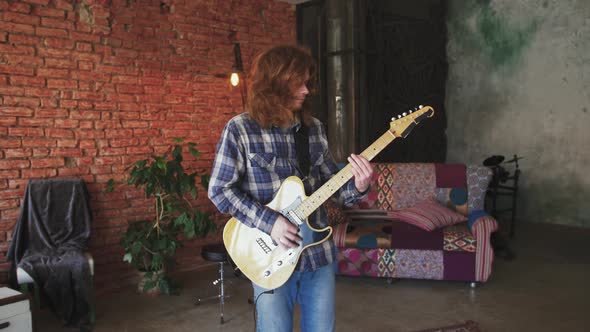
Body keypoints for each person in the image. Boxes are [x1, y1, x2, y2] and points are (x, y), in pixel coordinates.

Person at [208, 45, 373, 332]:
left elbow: (331, 185)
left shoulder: (314, 128)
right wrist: (270, 223)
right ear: (275, 83)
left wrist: (358, 185)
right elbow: (220, 190)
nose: (307, 90)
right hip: (269, 254)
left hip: (317, 253)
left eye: (308, 82)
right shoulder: (240, 129)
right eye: (299, 82)